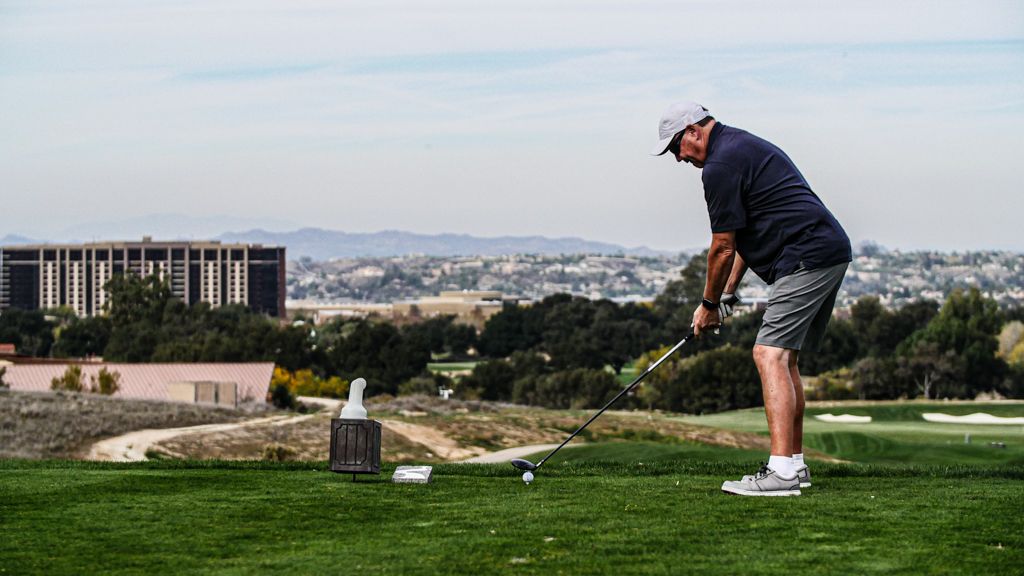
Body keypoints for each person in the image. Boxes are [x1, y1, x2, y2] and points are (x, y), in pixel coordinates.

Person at [652, 101, 852, 496]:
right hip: (826, 251)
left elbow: (722, 247)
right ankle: (794, 464)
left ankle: (781, 473)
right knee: (785, 357)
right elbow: (742, 237)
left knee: (768, 354)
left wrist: (708, 306)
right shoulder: (740, 146)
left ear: (693, 131)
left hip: (806, 255)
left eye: (676, 147)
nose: (678, 158)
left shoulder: (719, 166)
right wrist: (728, 291)